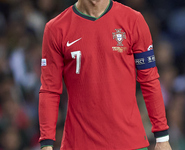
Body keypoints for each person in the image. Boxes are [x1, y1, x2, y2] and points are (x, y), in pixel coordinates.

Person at [39, 0, 172, 150]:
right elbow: (50, 90)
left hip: (130, 143)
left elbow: (149, 80)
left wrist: (162, 138)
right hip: (79, 144)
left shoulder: (133, 20)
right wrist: (46, 143)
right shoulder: (56, 28)